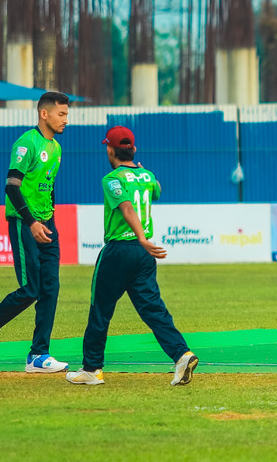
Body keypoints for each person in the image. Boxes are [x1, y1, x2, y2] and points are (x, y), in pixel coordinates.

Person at [66, 126, 198, 386]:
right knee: (153, 309)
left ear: (110, 149)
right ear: (133, 150)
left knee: (100, 311)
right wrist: (143, 172)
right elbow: (157, 190)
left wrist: (140, 237)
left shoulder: (112, 179)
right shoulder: (147, 175)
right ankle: (182, 354)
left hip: (120, 250)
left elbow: (126, 207)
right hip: (143, 256)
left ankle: (92, 369)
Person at [0, 91, 71, 372]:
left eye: (67, 114)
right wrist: (32, 222)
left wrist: (50, 221)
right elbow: (12, 185)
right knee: (32, 288)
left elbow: (48, 187)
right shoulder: (27, 143)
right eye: (61, 114)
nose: (66, 119)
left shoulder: (56, 148)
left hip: (48, 225)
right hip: (25, 224)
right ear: (44, 114)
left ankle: (38, 356)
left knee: (51, 289)